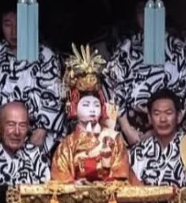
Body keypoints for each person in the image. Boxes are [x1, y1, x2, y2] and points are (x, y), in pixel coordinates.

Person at [106, 0, 186, 134]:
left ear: (163, 13)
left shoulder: (179, 49)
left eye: (152, 11)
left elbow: (185, 94)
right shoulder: (126, 48)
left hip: (169, 125)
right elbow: (113, 90)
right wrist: (127, 129)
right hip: (132, 127)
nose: (146, 16)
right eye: (140, 11)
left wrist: (160, 128)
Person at [0, 8, 64, 150]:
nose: (14, 32)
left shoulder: (44, 55)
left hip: (36, 134)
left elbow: (54, 95)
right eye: (8, 25)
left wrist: (42, 129)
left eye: (19, 24)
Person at [50, 48, 136, 184]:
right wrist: (74, 185)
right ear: (73, 108)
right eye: (85, 105)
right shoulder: (67, 144)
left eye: (96, 105)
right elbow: (60, 177)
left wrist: (107, 182)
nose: (92, 109)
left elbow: (121, 173)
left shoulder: (114, 139)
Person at [0, 101, 52, 186]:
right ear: (0, 125)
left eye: (22, 125)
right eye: (11, 124)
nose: (17, 132)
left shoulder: (36, 155)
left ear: (28, 128)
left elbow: (46, 192)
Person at [129, 91, 186, 187]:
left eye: (168, 113)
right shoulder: (138, 151)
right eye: (157, 114)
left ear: (178, 117)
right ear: (149, 118)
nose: (163, 119)